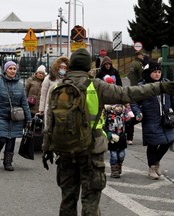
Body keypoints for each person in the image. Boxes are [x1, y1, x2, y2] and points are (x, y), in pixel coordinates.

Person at [42, 48, 174, 216]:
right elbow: (129, 93)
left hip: (65, 151)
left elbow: (50, 121)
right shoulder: (96, 86)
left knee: (67, 200)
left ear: (70, 66)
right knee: (90, 200)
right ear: (88, 67)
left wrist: (47, 147)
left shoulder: (59, 88)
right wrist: (161, 87)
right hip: (91, 150)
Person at [0, 61, 32, 171]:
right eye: (10, 68)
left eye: (14, 69)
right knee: (2, 138)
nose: (12, 71)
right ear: (5, 70)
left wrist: (29, 118)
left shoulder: (20, 86)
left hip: (15, 117)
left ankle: (8, 162)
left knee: (11, 139)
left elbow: (24, 103)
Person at [131, 61, 174, 180]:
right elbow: (134, 101)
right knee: (153, 145)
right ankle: (152, 168)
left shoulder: (165, 84)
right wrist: (138, 113)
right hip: (151, 119)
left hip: (166, 118)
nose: (157, 74)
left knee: (168, 141)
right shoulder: (143, 86)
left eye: (159, 72)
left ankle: (156, 162)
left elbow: (172, 98)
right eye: (155, 72)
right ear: (149, 73)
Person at [39, 56, 69, 127]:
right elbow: (43, 94)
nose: (63, 69)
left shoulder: (67, 79)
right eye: (61, 67)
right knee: (49, 126)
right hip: (50, 106)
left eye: (65, 68)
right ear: (57, 67)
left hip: (63, 107)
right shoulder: (49, 78)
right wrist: (41, 109)